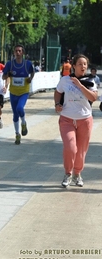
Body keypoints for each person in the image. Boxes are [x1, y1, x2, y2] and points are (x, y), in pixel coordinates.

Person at [54, 54, 97, 188]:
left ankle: (77, 174)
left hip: (85, 119)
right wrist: (57, 104)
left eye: (85, 64)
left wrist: (80, 85)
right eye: (80, 64)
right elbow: (58, 92)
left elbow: (94, 97)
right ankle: (68, 173)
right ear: (73, 66)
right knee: (70, 148)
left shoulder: (90, 81)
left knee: (81, 151)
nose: (83, 66)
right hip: (67, 118)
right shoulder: (65, 80)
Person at [2, 44, 35, 145]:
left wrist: (30, 78)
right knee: (15, 114)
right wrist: (8, 74)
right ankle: (17, 134)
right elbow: (3, 77)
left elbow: (32, 72)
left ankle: (24, 123)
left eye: (20, 51)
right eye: (16, 51)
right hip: (13, 92)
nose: (18, 53)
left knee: (20, 108)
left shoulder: (27, 64)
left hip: (24, 92)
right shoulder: (10, 64)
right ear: (14, 53)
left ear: (23, 53)